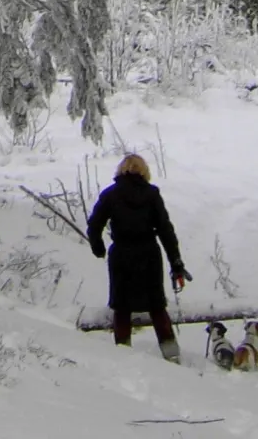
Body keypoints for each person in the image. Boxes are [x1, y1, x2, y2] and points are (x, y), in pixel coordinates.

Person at [87, 153, 189, 362]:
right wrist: (176, 261)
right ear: (144, 171)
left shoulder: (111, 194)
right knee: (157, 307)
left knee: (122, 307)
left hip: (121, 256)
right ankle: (171, 355)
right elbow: (165, 229)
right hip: (149, 255)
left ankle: (123, 353)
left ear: (121, 170)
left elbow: (94, 225)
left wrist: (99, 248)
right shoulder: (152, 195)